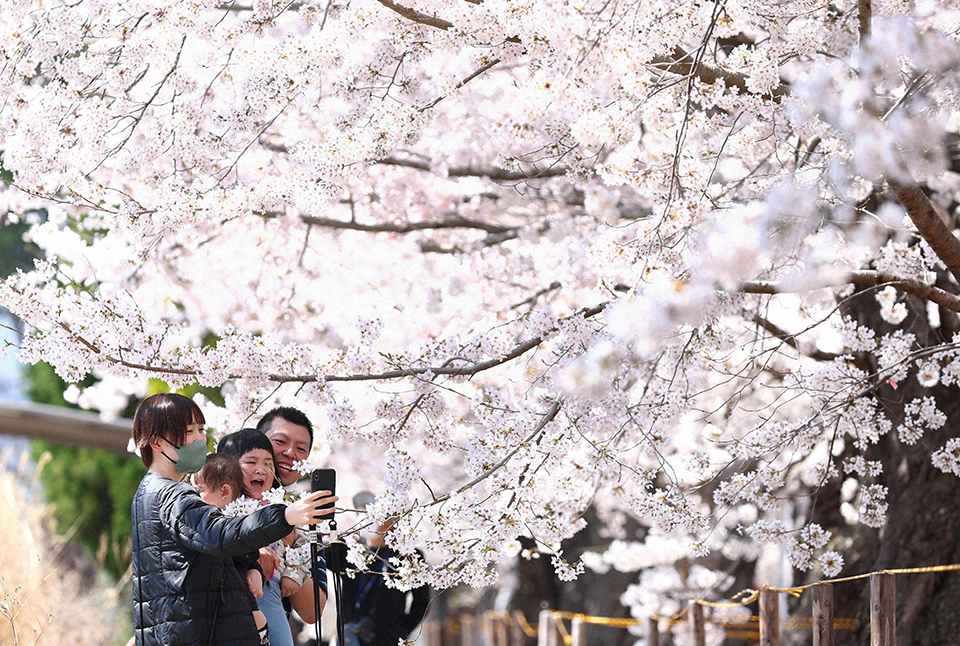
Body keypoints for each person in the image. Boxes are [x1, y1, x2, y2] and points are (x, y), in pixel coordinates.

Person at [130, 393, 337, 646]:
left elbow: (312, 610)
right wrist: (280, 520)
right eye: (189, 431)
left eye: (201, 430)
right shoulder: (186, 495)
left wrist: (285, 549)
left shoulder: (302, 517)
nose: (289, 453)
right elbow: (219, 535)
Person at [255, 406, 328, 646]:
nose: (290, 453)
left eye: (301, 449)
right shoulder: (223, 492)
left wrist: (290, 546)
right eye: (280, 441)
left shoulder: (308, 521)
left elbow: (312, 611)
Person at [195, 452, 271, 645]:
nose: (194, 496)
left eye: (199, 489)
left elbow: (246, 550)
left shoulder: (225, 525)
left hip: (243, 617)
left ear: (224, 491)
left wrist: (254, 569)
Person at [337, 492, 430, 646]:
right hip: (350, 637)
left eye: (375, 517)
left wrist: (401, 630)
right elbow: (318, 556)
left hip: (388, 638)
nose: (369, 521)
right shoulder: (348, 549)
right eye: (364, 515)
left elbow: (422, 601)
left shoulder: (408, 556)